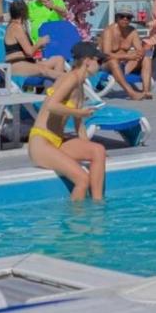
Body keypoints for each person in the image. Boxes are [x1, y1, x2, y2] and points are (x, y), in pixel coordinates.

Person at [27, 42, 109, 201]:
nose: (100, 65)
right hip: (41, 142)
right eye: (98, 61)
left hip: (58, 141)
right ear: (87, 61)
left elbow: (79, 128)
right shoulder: (70, 78)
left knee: (98, 150)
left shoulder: (80, 85)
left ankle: (98, 206)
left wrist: (88, 147)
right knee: (82, 179)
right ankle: (76, 222)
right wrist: (79, 112)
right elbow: (52, 105)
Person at [4, 0, 68, 81]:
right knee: (44, 70)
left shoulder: (18, 26)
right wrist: (39, 42)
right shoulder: (16, 27)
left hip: (26, 62)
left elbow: (27, 51)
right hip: (15, 64)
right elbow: (29, 52)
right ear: (24, 12)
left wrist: (39, 46)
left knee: (59, 59)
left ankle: (54, 90)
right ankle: (70, 79)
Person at [98, 8, 148, 100]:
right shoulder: (109, 31)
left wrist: (140, 53)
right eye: (122, 17)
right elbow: (106, 54)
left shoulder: (132, 31)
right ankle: (131, 93)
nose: (125, 19)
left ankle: (146, 91)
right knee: (113, 61)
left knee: (146, 59)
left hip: (124, 65)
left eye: (128, 17)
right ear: (117, 18)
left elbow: (139, 50)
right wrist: (128, 56)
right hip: (107, 65)